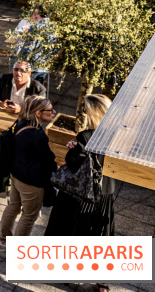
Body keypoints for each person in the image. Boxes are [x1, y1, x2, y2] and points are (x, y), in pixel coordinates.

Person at [45, 94, 115, 237]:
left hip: (81, 194)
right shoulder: (116, 135)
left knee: (67, 230)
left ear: (93, 113)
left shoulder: (87, 136)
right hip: (105, 191)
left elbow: (74, 163)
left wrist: (73, 151)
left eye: (86, 110)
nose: (84, 113)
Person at [0, 95, 58, 252]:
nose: (53, 112)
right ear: (38, 113)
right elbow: (49, 159)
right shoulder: (38, 135)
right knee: (29, 216)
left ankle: (2, 242)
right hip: (31, 183)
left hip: (15, 176)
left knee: (13, 207)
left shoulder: (21, 124)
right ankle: (16, 253)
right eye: (50, 110)